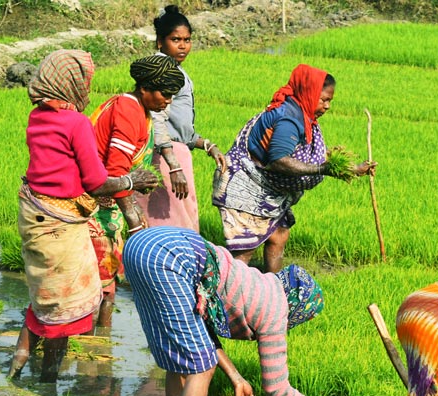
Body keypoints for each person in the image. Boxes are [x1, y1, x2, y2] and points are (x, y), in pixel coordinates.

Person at [122, 226, 358, 396]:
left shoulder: (260, 282)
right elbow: (278, 392)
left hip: (140, 246)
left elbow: (202, 332)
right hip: (171, 258)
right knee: (201, 368)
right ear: (298, 308)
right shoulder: (276, 310)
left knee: (179, 359)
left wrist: (236, 378)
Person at [8, 49, 157, 382]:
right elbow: (96, 181)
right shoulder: (75, 123)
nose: (88, 91)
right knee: (66, 306)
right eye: (85, 83)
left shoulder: (38, 117)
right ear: (71, 84)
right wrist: (134, 180)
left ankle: (16, 367)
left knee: (44, 296)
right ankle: (48, 383)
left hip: (34, 213)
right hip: (62, 224)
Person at [212, 63, 376, 273]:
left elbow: (308, 154)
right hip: (247, 187)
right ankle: (229, 294)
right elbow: (279, 160)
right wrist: (320, 170)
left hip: (267, 190)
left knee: (279, 234)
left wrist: (353, 169)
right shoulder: (289, 118)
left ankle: (274, 287)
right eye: (323, 99)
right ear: (309, 93)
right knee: (245, 248)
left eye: (330, 101)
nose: (327, 106)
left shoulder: (304, 115)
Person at [88, 54, 185, 329]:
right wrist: (133, 221)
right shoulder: (129, 110)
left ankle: (99, 347)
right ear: (144, 88)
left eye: (172, 95)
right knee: (98, 286)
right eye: (164, 94)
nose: (168, 100)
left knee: (108, 285)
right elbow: (117, 171)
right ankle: (90, 351)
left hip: (108, 202)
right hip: (95, 207)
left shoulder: (141, 110)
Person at [134, 5, 227, 231]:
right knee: (172, 223)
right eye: (175, 39)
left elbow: (179, 127)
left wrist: (206, 145)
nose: (183, 45)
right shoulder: (163, 71)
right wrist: (174, 167)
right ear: (159, 41)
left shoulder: (172, 69)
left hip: (172, 153)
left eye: (187, 39)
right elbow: (157, 119)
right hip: (165, 156)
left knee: (171, 220)